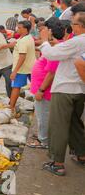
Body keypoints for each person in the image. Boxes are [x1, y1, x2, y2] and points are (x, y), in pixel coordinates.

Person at [38, 12, 85, 176]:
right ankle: (81, 154)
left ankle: (57, 163)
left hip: (65, 89)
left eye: (73, 23)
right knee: (74, 123)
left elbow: (51, 54)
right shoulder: (77, 42)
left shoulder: (77, 41)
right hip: (80, 89)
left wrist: (44, 41)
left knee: (58, 126)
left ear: (79, 26)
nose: (71, 26)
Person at [26, 25, 64, 149]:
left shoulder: (55, 50)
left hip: (44, 91)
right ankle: (43, 136)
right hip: (41, 88)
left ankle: (44, 141)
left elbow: (51, 73)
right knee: (42, 115)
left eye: (47, 32)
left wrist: (41, 90)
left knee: (43, 116)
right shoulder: (53, 48)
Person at [9, 21, 36, 116]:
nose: (17, 29)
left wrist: (15, 71)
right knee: (36, 86)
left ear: (25, 29)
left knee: (16, 87)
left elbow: (22, 56)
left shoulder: (24, 41)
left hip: (21, 69)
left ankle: (11, 107)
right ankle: (37, 106)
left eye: (19, 28)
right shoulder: (29, 37)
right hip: (31, 66)